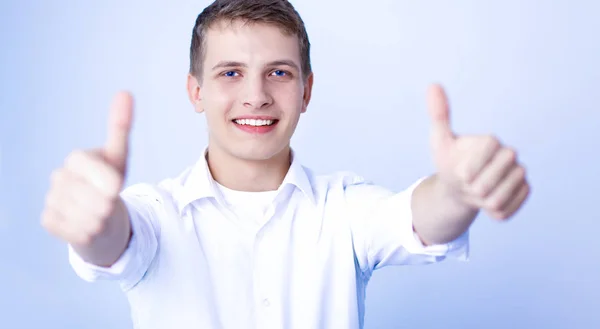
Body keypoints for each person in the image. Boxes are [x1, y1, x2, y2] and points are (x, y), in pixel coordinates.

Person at [41, 0, 530, 328]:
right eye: (230, 72)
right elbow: (113, 240)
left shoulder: (343, 209)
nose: (256, 96)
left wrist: (459, 189)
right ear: (197, 91)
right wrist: (94, 220)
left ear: (306, 91)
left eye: (278, 73)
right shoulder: (155, 212)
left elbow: (416, 218)